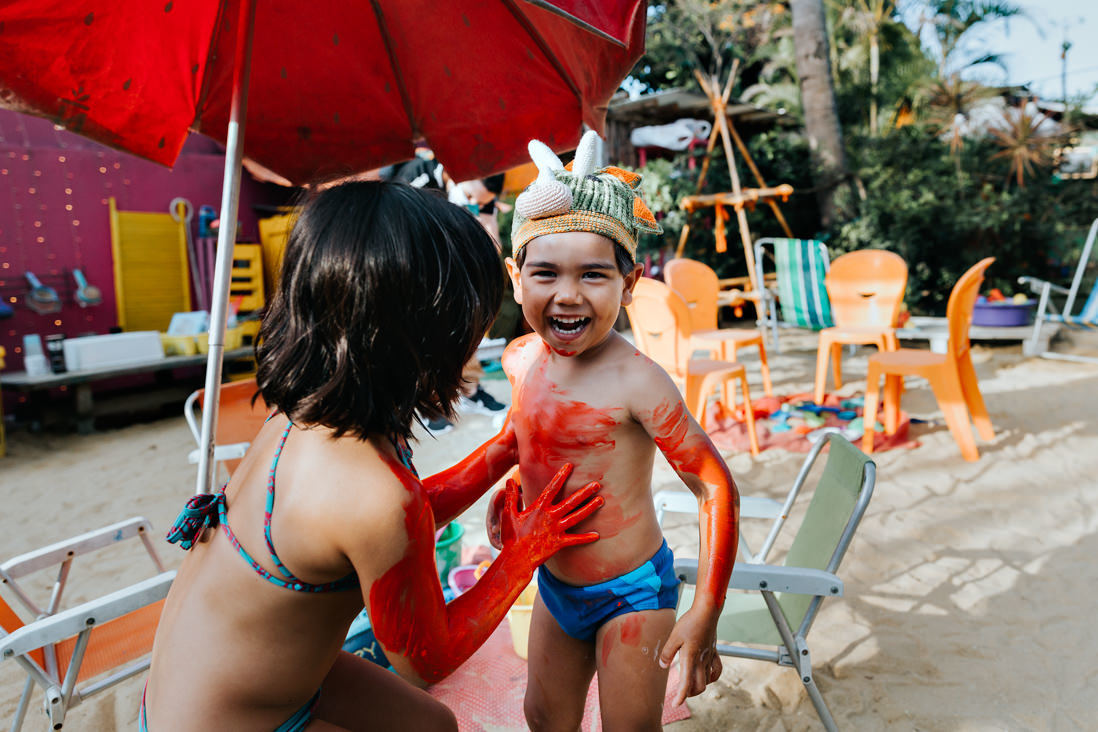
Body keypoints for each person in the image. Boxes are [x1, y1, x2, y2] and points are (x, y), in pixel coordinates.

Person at [142, 180, 605, 732]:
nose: (480, 339)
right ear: (423, 335)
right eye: (474, 322)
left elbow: (393, 528)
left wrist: (503, 449)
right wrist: (522, 553)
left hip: (224, 675)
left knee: (435, 726)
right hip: (225, 721)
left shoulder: (301, 415)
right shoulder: (375, 498)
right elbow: (425, 660)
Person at [484, 131, 740, 730]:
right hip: (553, 582)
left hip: (632, 591)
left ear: (630, 283)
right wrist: (504, 502)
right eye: (545, 273)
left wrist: (706, 607)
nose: (567, 296)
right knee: (544, 716)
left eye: (594, 276)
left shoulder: (639, 382)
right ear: (516, 277)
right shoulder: (522, 359)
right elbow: (515, 443)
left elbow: (715, 487)